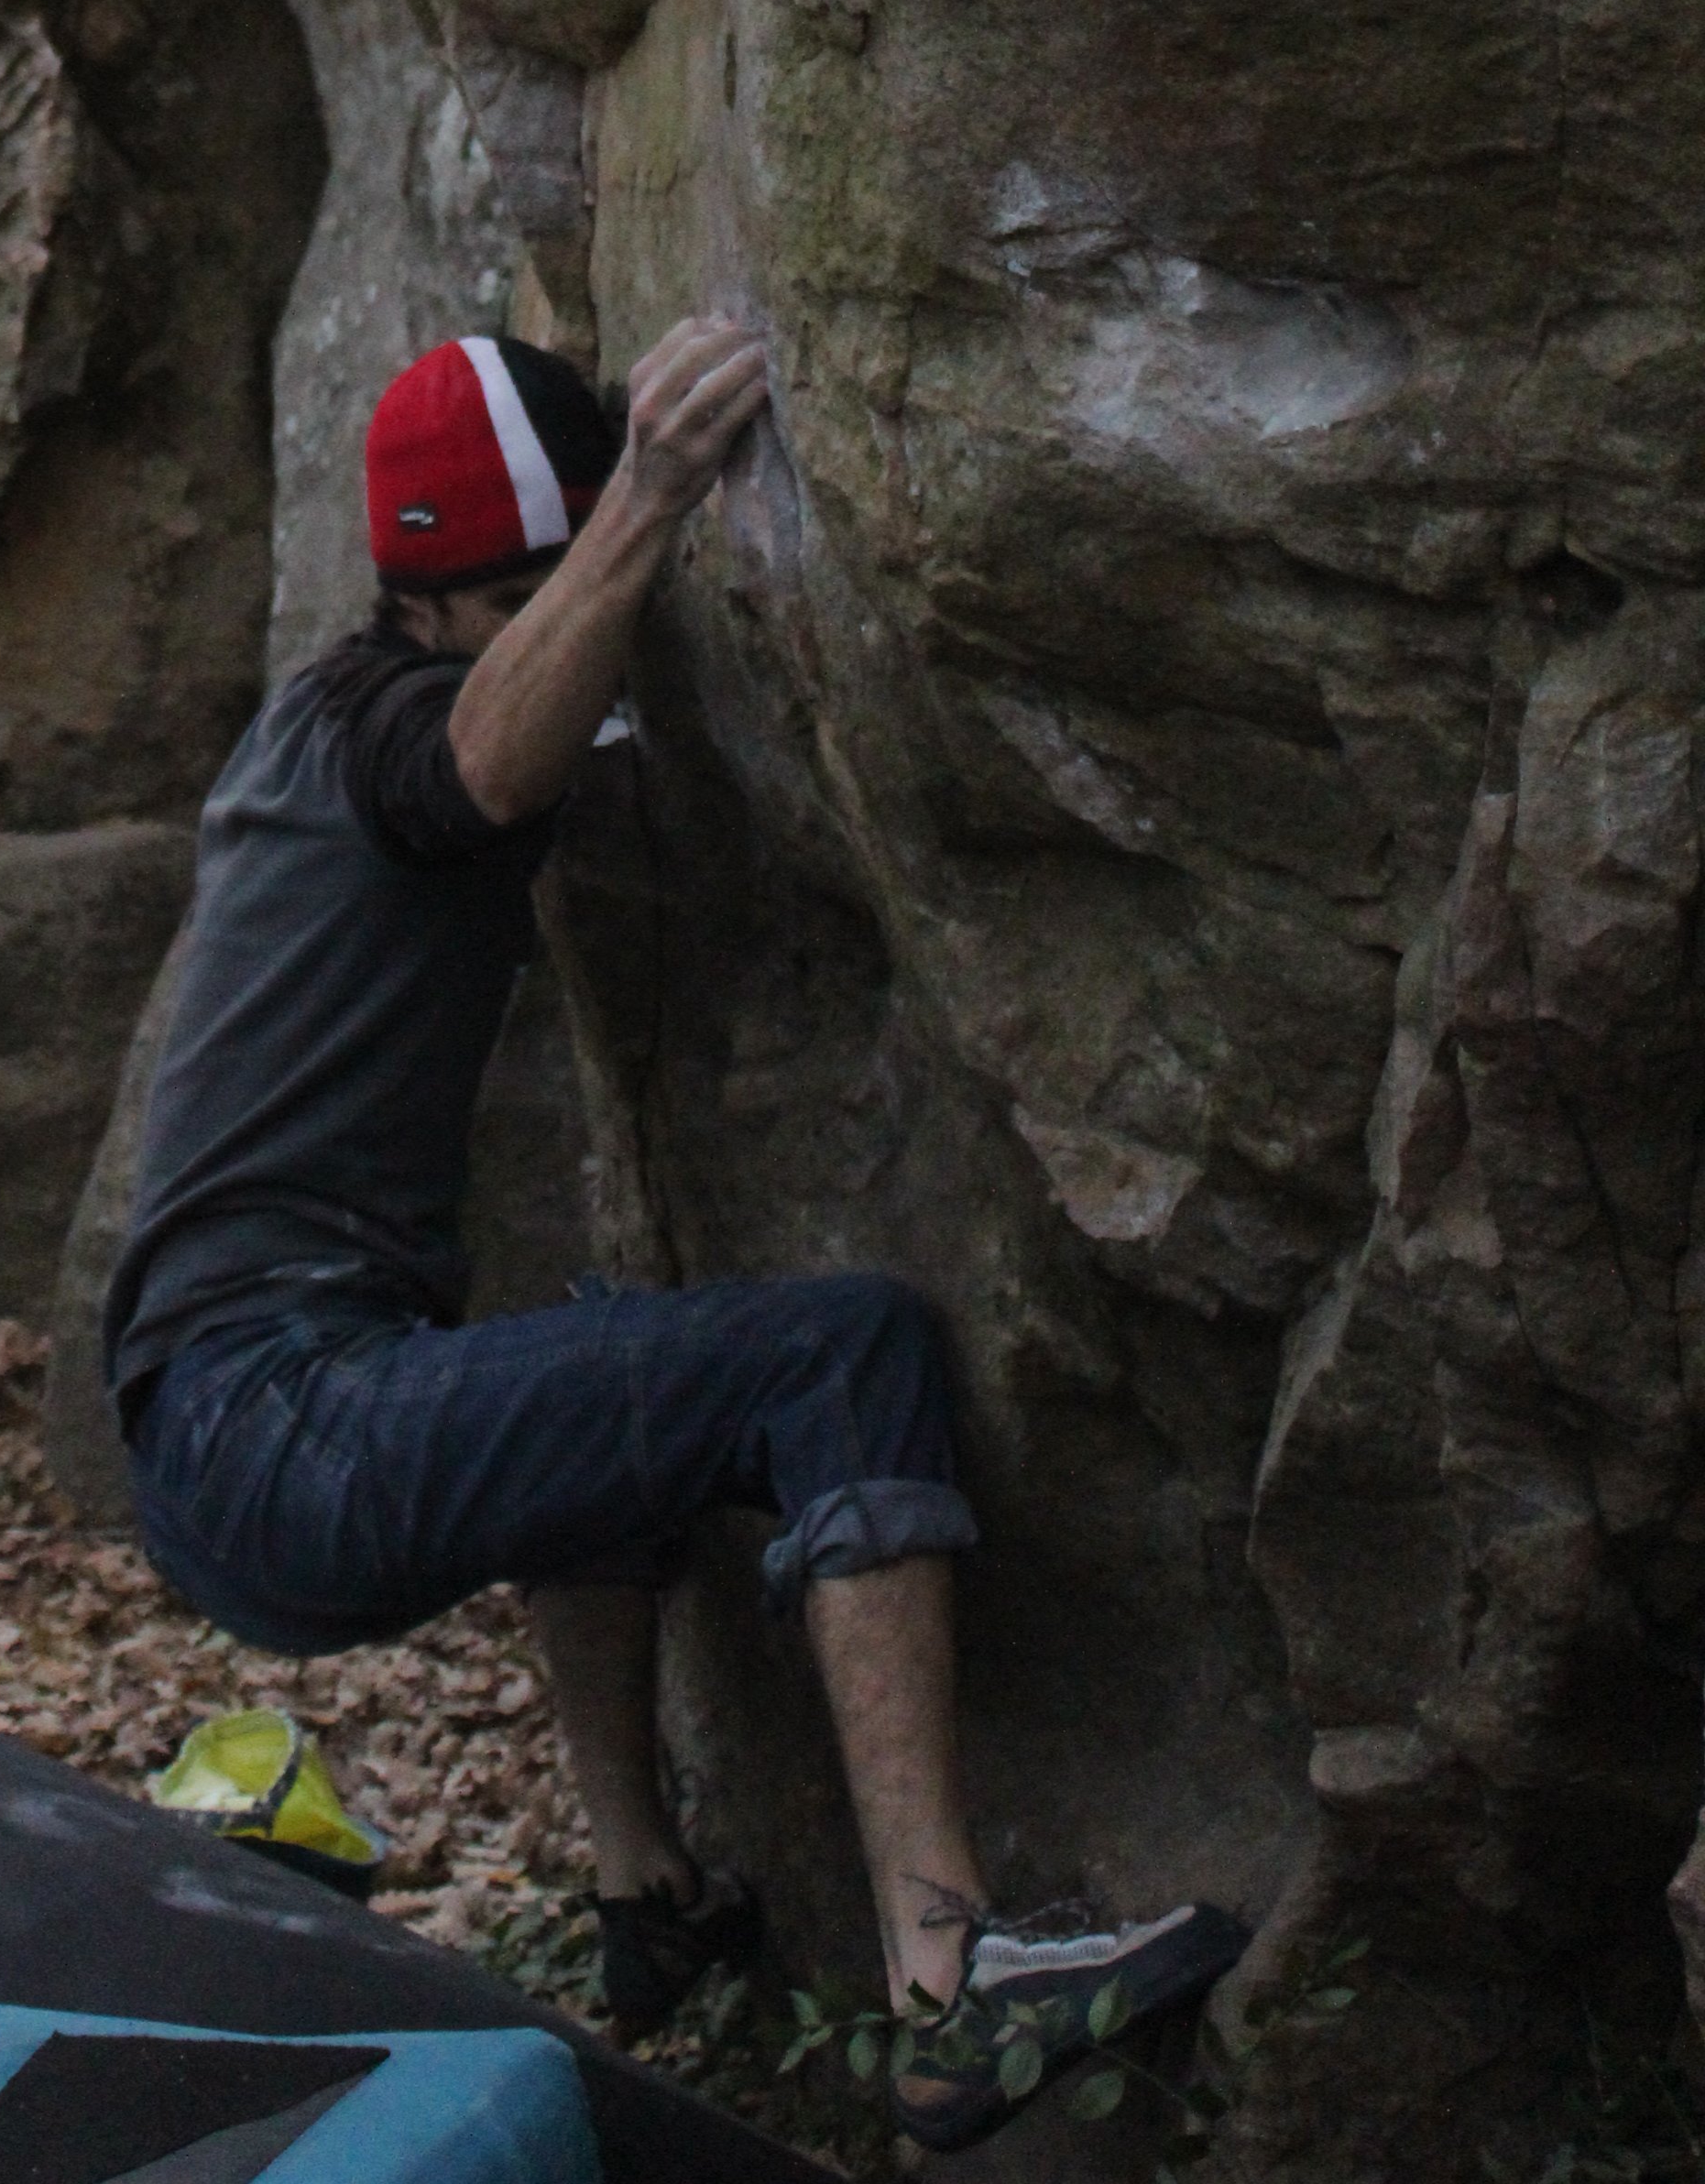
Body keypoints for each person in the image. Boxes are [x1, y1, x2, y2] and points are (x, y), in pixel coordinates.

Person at [105, 314, 1245, 2154]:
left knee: (611, 1366)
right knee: (844, 1349)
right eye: (560, 587)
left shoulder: (329, 704)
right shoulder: (407, 736)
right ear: (503, 585)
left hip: (230, 1429)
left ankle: (650, 1898)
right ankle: (953, 1987)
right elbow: (483, 758)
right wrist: (652, 494)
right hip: (280, 1423)